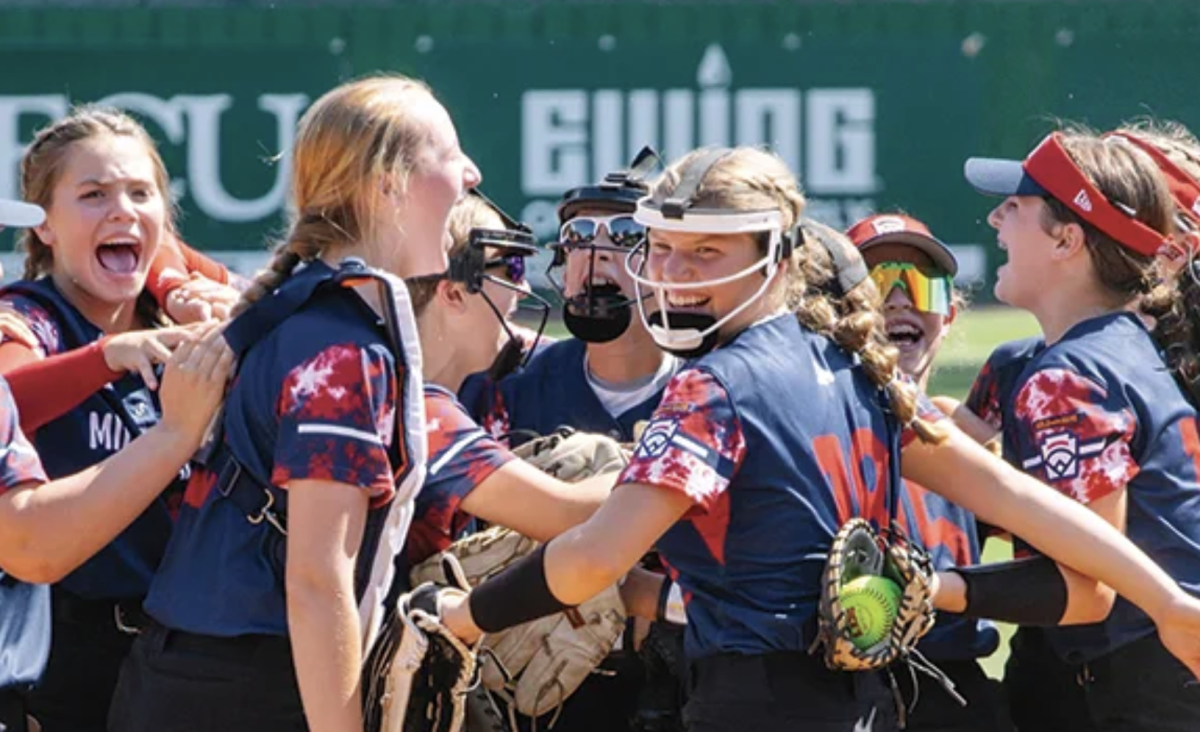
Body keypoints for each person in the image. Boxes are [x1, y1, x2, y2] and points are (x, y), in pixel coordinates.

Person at [432, 146, 1200, 732]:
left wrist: (462, 620)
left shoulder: (713, 387)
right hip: (862, 702)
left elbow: (594, 556)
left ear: (774, 253)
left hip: (751, 699)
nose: (672, 271)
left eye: (706, 253)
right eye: (661, 248)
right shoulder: (855, 364)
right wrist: (1165, 599)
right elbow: (1012, 496)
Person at [106, 73, 480, 732]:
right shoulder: (340, 349)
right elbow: (315, 582)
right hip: (245, 689)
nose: (472, 174)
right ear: (389, 183)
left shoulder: (302, 309)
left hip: (194, 675)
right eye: (451, 157)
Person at [926, 129, 1200, 732]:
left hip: (1144, 680)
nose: (996, 216)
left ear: (1067, 240)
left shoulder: (1069, 376)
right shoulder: (1123, 344)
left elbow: (1087, 589)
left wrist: (930, 587)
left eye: (1017, 205)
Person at [0, 106, 228, 732]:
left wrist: (180, 283)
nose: (122, 211)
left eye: (140, 193)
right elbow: (9, 388)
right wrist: (105, 357)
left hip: (189, 650)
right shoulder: (32, 316)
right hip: (69, 658)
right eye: (93, 195)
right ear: (44, 225)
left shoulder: (173, 303)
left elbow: (175, 253)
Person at [843, 213, 1012, 732]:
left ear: (951, 314)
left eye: (919, 284)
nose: (897, 299)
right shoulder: (824, 425)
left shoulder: (964, 435)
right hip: (846, 685)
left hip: (955, 688)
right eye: (875, 283)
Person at [463, 150, 680, 447]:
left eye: (627, 233)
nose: (598, 250)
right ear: (565, 273)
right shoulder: (507, 388)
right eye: (580, 234)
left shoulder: (710, 390)